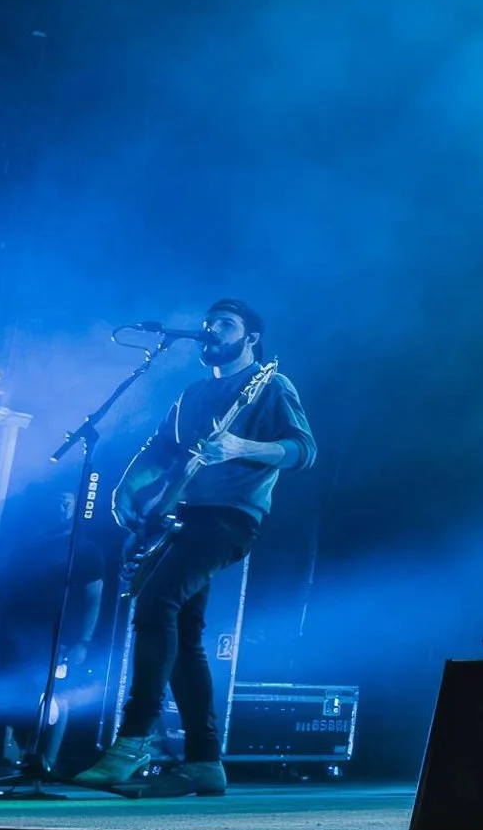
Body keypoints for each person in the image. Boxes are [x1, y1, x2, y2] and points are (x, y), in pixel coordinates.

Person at [74, 300, 316, 795]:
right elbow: (160, 448)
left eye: (225, 323)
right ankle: (205, 761)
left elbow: (303, 451)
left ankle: (133, 740)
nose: (210, 329)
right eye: (209, 323)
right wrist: (125, 490)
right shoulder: (194, 393)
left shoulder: (271, 386)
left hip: (230, 518)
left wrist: (242, 447)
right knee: (183, 635)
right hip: (182, 516)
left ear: (251, 338)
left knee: (155, 604)